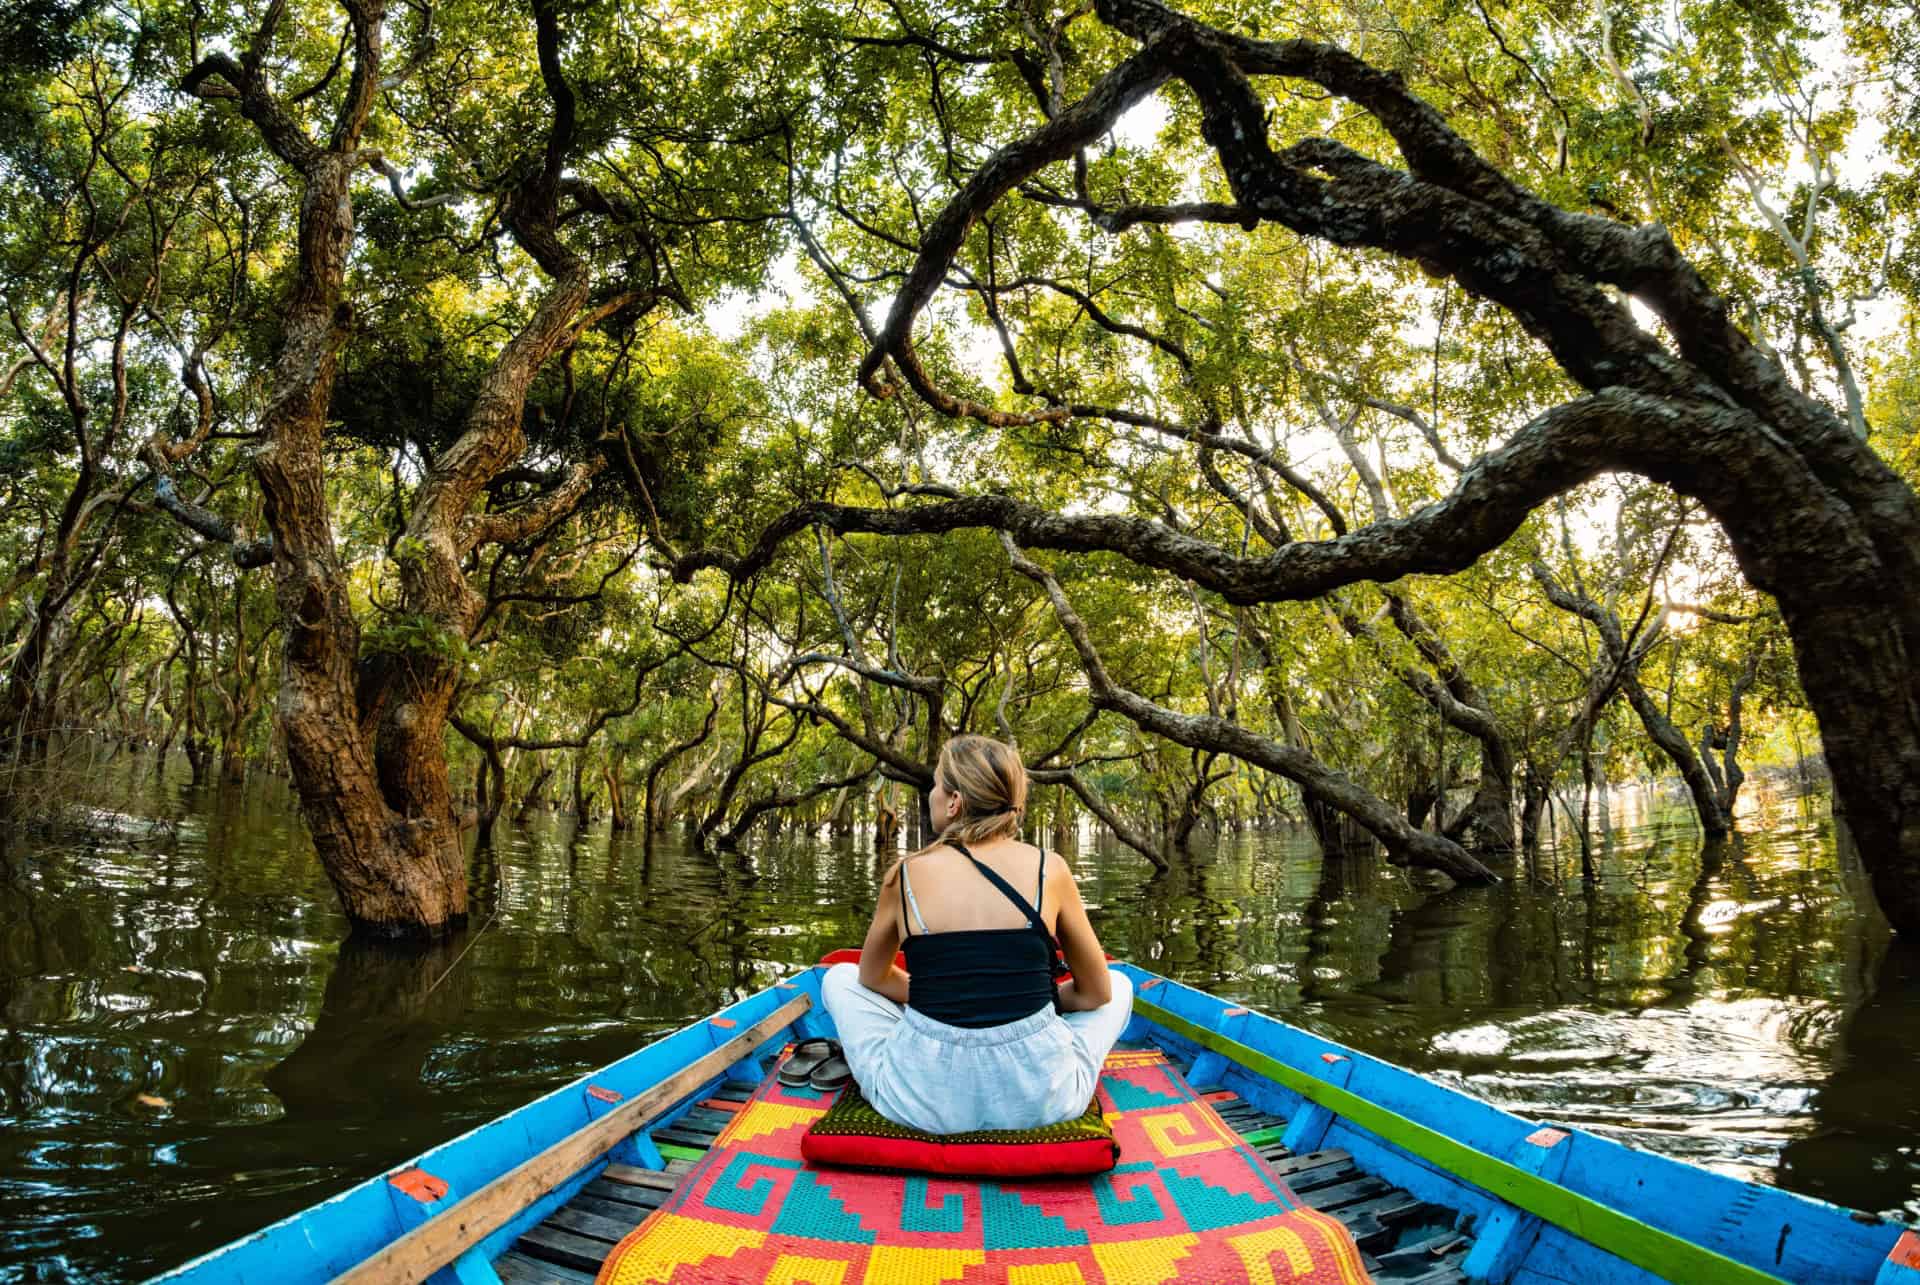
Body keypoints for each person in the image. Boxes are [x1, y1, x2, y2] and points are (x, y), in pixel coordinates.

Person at [821, 734, 1135, 1135]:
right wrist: (1037, 998)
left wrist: (948, 993)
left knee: (840, 978)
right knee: (1121, 986)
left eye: (935, 784)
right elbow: (1096, 994)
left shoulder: (905, 875)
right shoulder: (1049, 868)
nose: (931, 794)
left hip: (920, 1102)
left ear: (953, 802)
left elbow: (872, 978)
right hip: (1043, 1100)